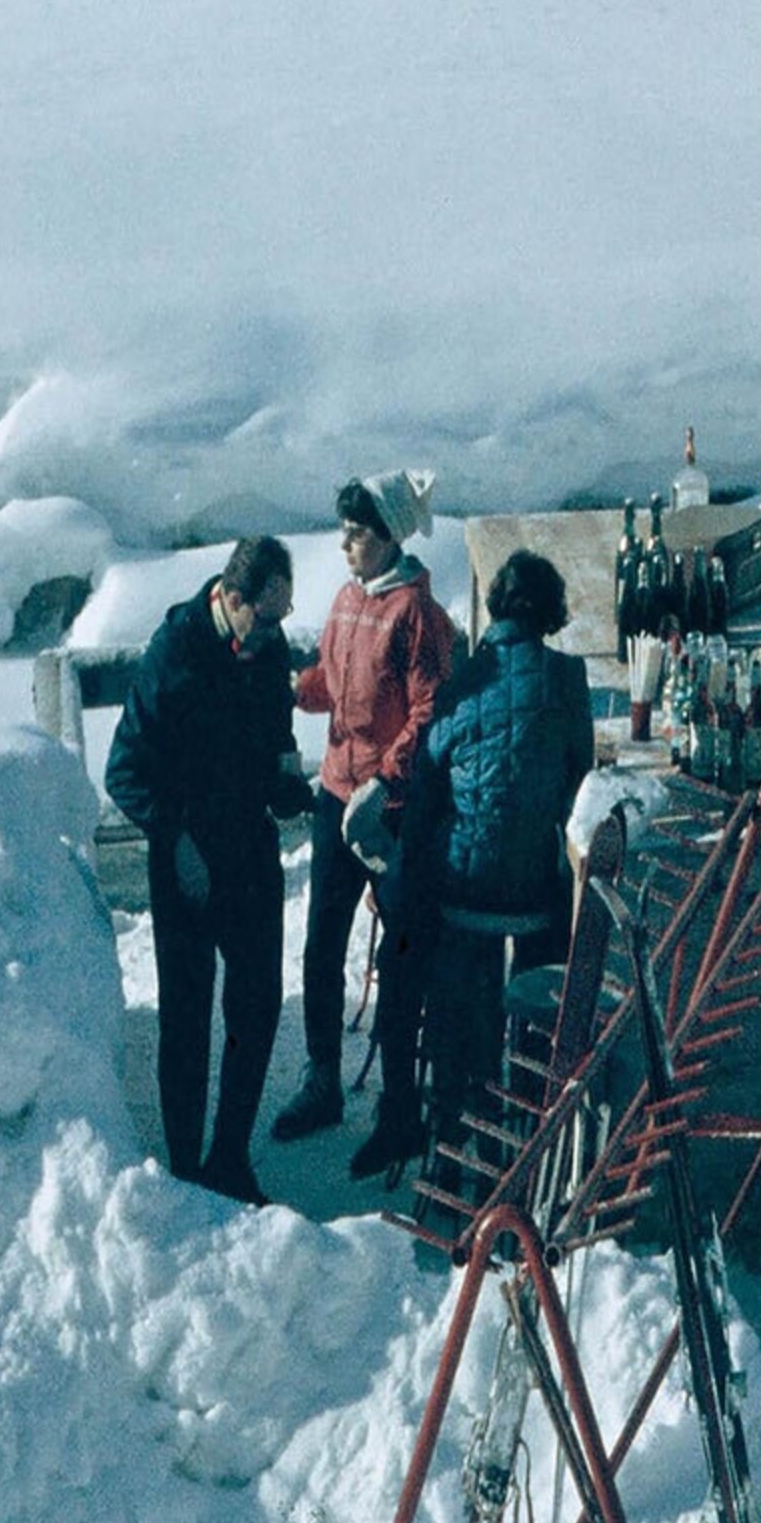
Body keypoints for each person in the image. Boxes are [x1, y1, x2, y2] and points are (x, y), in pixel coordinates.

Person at [104, 536, 311, 1207]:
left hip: (249, 848)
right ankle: (186, 1167)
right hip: (187, 856)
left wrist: (286, 778)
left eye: (283, 616)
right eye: (267, 616)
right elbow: (124, 773)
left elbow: (278, 736)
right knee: (186, 1020)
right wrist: (176, 837)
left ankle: (228, 1156)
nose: (276, 631)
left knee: (255, 1008)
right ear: (230, 598)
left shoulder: (268, 648)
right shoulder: (175, 651)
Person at [272, 469, 457, 1166]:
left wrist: (389, 780)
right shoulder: (349, 598)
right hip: (334, 793)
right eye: (345, 530)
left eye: (358, 532)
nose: (345, 542)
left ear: (389, 536)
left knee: (400, 955)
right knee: (322, 944)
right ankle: (322, 1081)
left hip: (387, 810)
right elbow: (332, 679)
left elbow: (428, 710)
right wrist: (294, 689)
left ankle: (401, 1106)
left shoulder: (416, 613)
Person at [392, 549, 594, 1171]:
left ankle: (457, 1123)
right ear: (552, 612)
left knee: (460, 986)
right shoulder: (566, 679)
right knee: (552, 929)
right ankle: (531, 1112)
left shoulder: (462, 682)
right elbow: (578, 779)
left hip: (463, 891)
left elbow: (427, 784)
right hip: (531, 892)